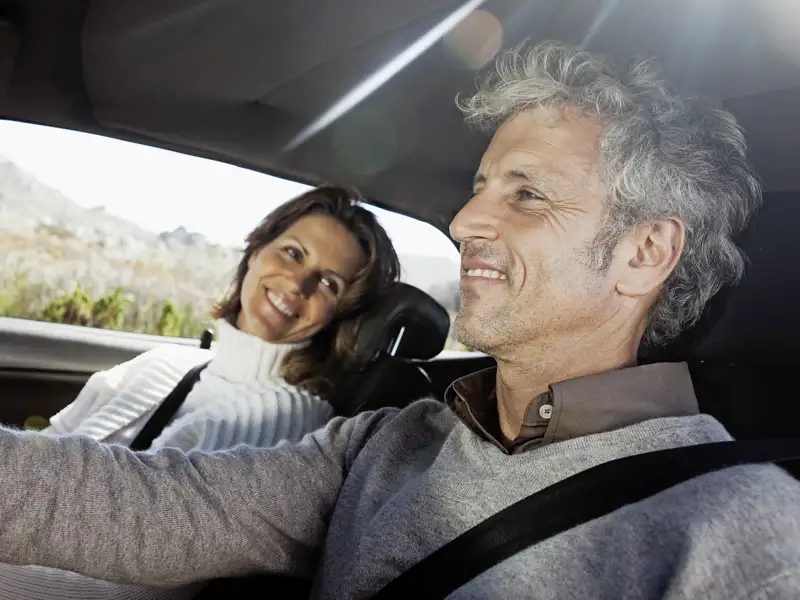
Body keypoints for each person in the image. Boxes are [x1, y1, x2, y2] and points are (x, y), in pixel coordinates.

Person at [0, 40, 797, 599]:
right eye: (480, 187)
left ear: (645, 252)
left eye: (526, 193)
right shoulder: (386, 443)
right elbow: (148, 504)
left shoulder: (747, 532)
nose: (463, 221)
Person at [0, 184, 399, 599]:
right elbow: (49, 447)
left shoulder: (296, 423)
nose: (299, 283)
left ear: (341, 315)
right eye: (293, 253)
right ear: (256, 250)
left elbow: (135, 585)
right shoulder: (163, 362)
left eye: (329, 284)